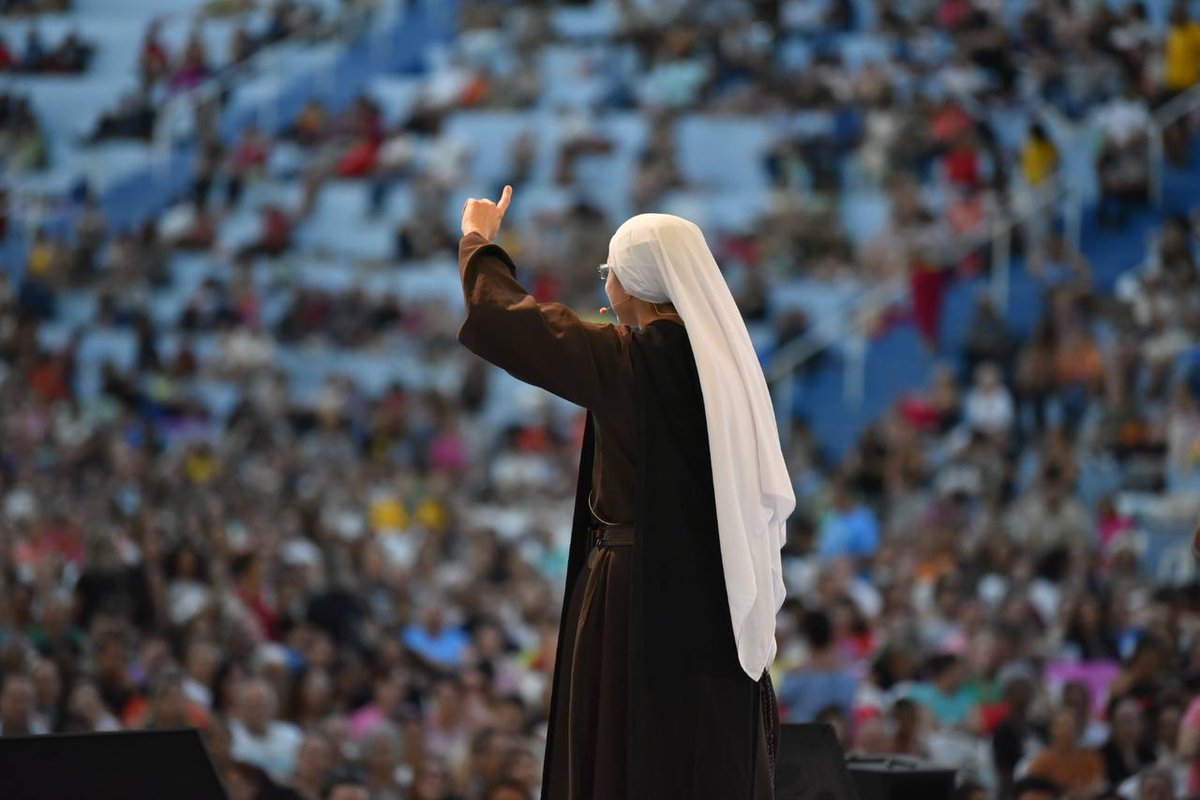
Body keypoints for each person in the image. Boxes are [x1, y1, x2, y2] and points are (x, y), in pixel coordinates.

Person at [457, 186, 792, 798]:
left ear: (633, 280)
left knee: (628, 753)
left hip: (638, 587)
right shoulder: (726, 368)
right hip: (716, 588)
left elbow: (510, 322)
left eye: (608, 269)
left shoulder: (633, 360)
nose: (605, 281)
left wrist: (479, 243)